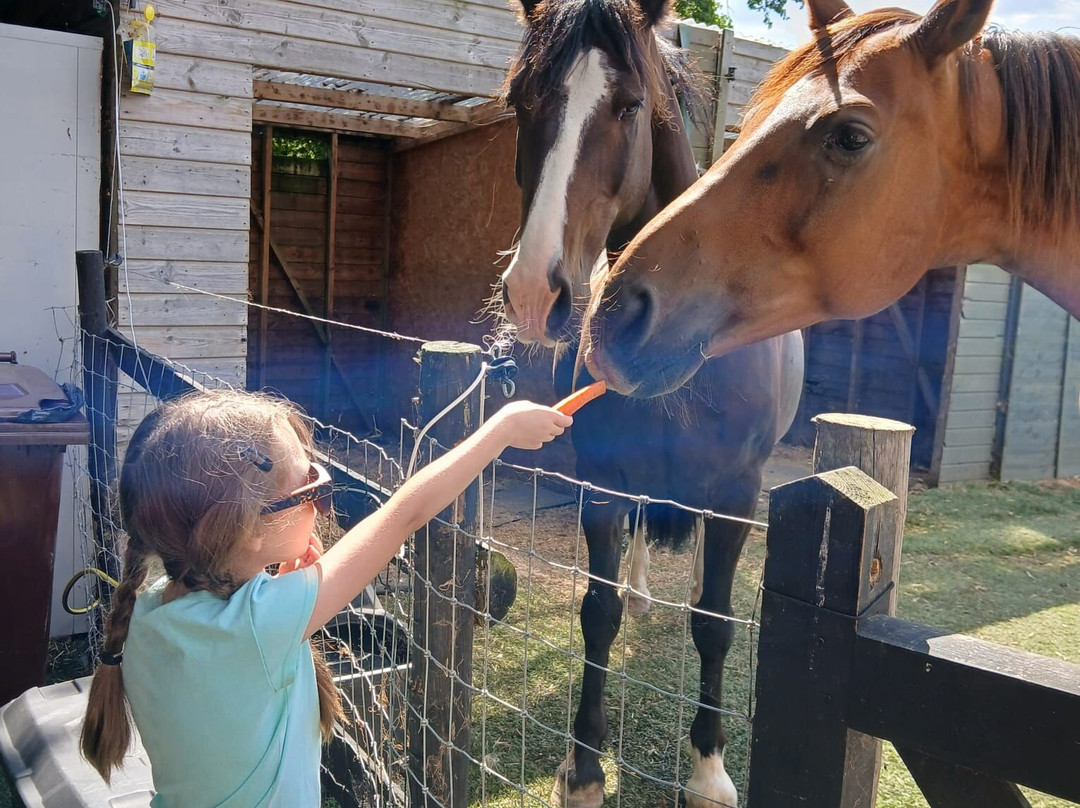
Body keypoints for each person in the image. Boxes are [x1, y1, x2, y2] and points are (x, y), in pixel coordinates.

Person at [80, 389, 571, 806]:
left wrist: (274, 579)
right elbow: (403, 514)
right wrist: (500, 430)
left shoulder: (142, 618)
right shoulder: (261, 625)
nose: (321, 502)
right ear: (249, 528)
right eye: (311, 488)